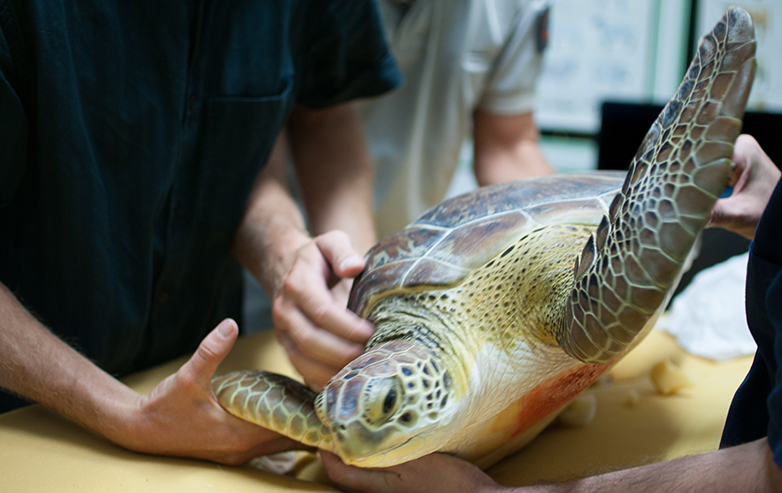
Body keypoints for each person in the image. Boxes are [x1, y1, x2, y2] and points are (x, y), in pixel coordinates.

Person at [0, 0, 402, 464]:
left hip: (203, 400)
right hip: (21, 420)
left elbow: (317, 119)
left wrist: (298, 261)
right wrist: (126, 416)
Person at [319, 134, 782, 492]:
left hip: (559, 245)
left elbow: (771, 473)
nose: (353, 439)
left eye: (389, 403)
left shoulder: (573, 310)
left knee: (597, 325)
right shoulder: (374, 358)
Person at [361, 0, 556, 238]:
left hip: (412, 248)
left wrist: (576, 227)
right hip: (309, 243)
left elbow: (507, 146)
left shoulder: (519, 6)